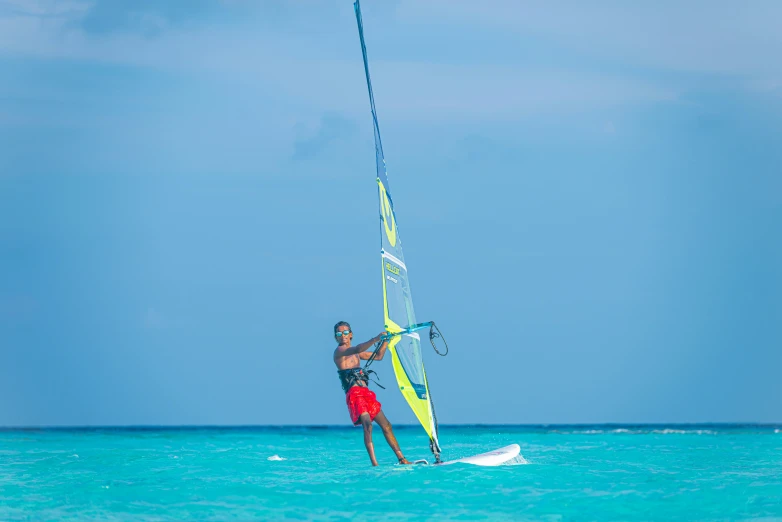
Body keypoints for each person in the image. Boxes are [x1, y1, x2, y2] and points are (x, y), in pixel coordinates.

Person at [332, 320, 410, 466]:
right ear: (336, 337)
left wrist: (386, 340)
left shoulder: (357, 354)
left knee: (386, 425)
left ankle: (402, 459)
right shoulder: (340, 352)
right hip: (355, 394)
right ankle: (375, 464)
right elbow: (356, 349)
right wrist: (376, 338)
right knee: (368, 425)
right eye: (339, 333)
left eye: (346, 332)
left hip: (366, 393)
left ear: (351, 335)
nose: (343, 335)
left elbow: (378, 356)